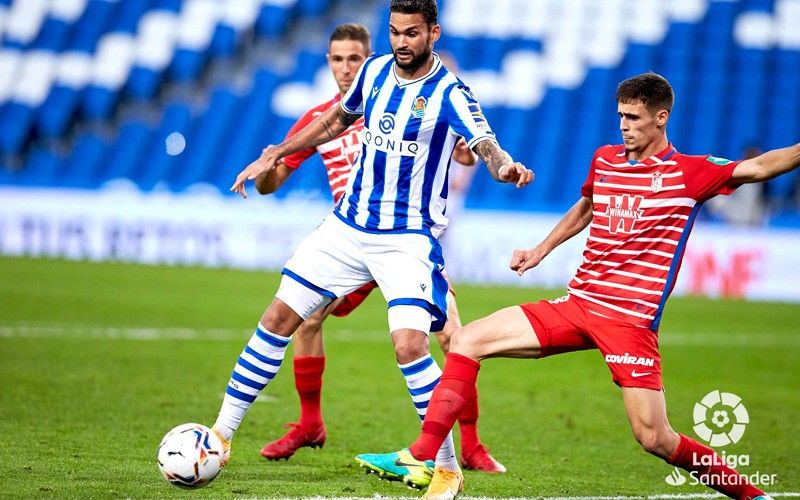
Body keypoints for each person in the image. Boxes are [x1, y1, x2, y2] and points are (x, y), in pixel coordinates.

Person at [355, 72, 799, 500]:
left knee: (655, 437)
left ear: (661, 117)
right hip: (578, 304)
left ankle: (752, 496)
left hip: (629, 322)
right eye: (620, 116)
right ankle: (421, 454)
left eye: (634, 118)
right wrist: (540, 249)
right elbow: (586, 205)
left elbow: (759, 166)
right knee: (467, 340)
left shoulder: (689, 173)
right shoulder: (605, 159)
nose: (624, 126)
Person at [212, 0, 532, 492]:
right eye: (395, 32)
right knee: (279, 318)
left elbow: (484, 144)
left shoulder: (450, 92)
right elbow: (335, 121)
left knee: (411, 345)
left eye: (411, 33)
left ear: (433, 33)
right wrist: (277, 151)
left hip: (406, 238)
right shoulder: (376, 71)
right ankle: (220, 436)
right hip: (347, 227)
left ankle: (447, 469)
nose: (401, 42)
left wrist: (504, 166)